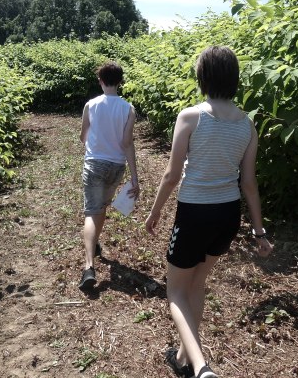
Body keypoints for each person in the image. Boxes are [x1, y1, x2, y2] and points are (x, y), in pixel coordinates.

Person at [145, 46, 273, 378]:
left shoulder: (190, 116)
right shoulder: (247, 124)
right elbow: (249, 183)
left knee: (175, 291)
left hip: (194, 214)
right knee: (197, 283)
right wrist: (259, 231)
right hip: (227, 215)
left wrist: (155, 211)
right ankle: (185, 359)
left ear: (203, 77)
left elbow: (172, 175)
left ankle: (201, 368)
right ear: (234, 78)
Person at [78, 61, 140, 291]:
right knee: (101, 207)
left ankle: (88, 267)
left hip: (94, 163)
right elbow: (127, 143)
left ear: (101, 81)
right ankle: (94, 245)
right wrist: (135, 178)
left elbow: (83, 136)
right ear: (120, 82)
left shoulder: (91, 105)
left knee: (92, 211)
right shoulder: (128, 109)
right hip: (116, 165)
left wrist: (94, 139)